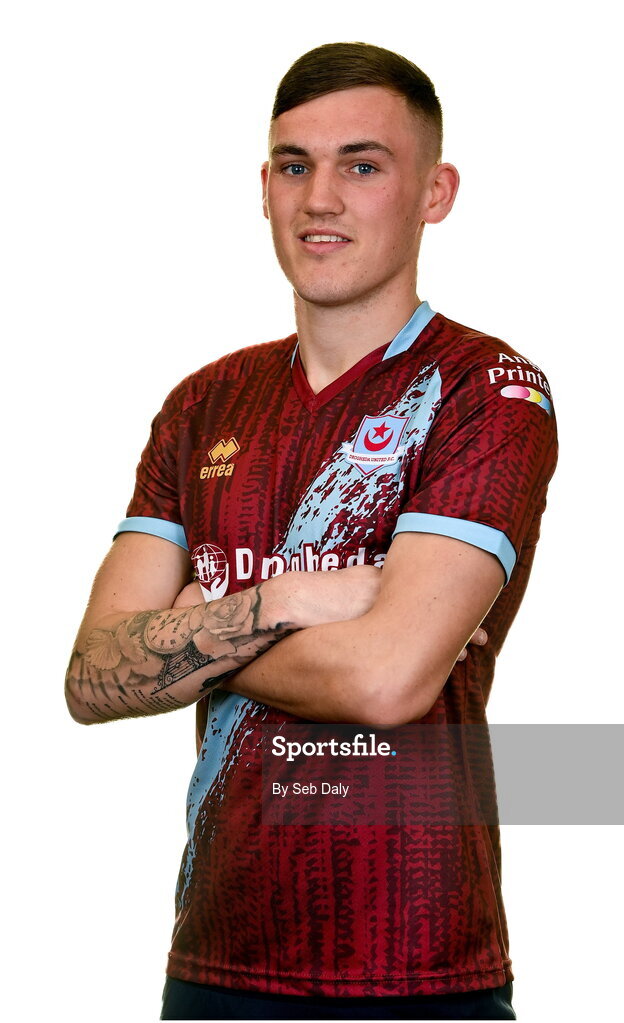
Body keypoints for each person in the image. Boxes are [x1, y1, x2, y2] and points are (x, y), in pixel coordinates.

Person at [65, 42, 557, 1020]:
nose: (320, 197)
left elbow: (386, 679)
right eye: (296, 165)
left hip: (419, 971)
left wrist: (195, 635)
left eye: (362, 165)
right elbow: (88, 676)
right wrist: (293, 600)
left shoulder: (487, 391)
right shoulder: (201, 406)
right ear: (265, 187)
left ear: (434, 191)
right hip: (215, 963)